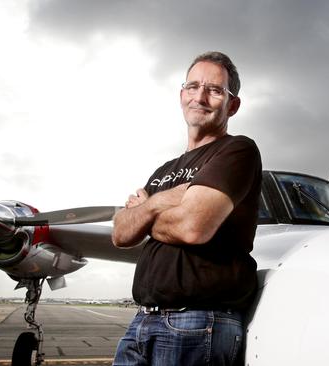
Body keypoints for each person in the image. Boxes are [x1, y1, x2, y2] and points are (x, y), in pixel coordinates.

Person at [111, 51, 261, 366]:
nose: (201, 97)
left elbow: (193, 227)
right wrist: (162, 202)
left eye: (215, 90)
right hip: (143, 321)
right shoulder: (165, 170)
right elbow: (121, 233)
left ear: (232, 105)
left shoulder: (237, 150)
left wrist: (145, 212)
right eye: (193, 87)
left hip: (196, 323)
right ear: (182, 95)